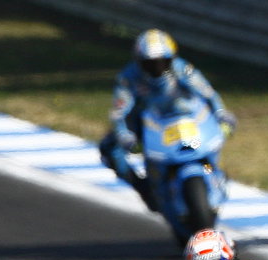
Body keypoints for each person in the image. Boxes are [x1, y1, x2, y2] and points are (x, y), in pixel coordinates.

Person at [100, 28, 235, 211]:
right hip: (146, 123)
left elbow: (207, 92)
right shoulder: (128, 78)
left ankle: (214, 173)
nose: (157, 69)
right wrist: (124, 134)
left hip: (186, 118)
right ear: (139, 62)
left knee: (215, 135)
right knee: (109, 148)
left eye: (163, 62)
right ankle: (144, 187)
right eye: (150, 64)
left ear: (171, 59)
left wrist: (221, 112)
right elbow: (119, 113)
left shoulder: (182, 68)